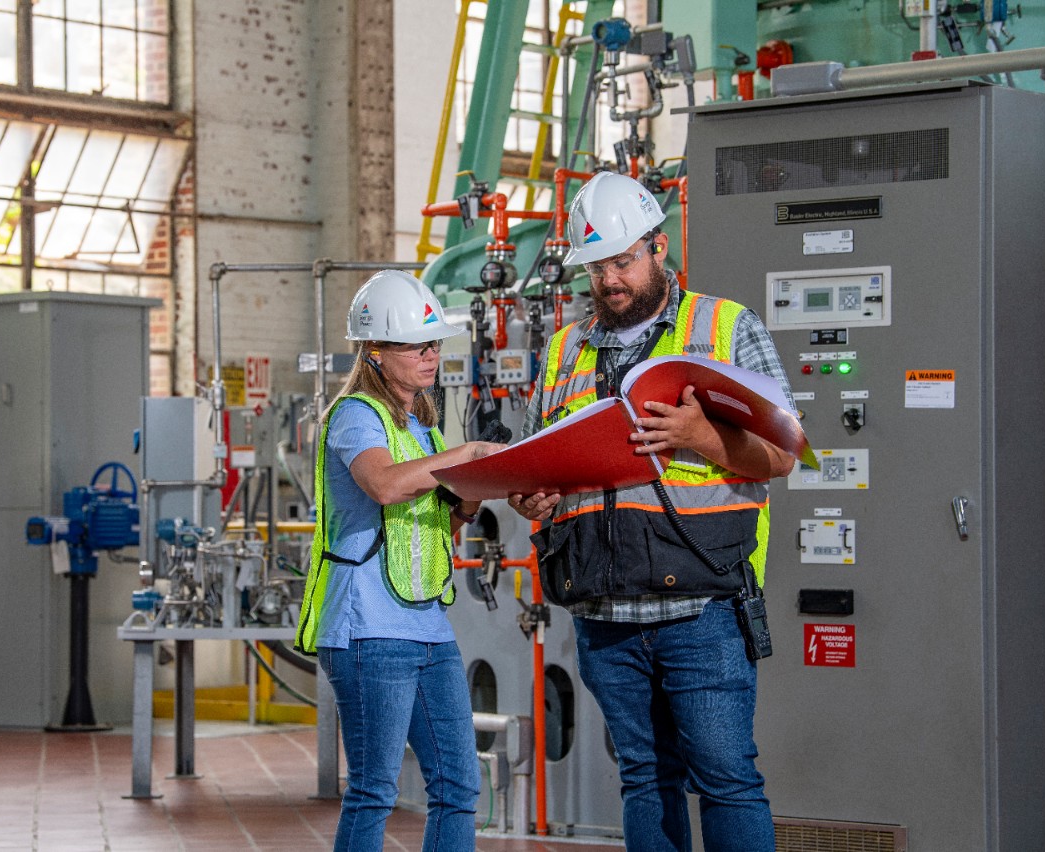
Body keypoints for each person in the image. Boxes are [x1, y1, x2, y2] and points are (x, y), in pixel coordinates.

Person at [508, 171, 796, 852]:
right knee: (644, 778)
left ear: (658, 248)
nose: (610, 280)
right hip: (605, 613)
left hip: (703, 609)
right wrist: (532, 497)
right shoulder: (561, 353)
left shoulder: (724, 328)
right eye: (597, 266)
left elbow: (784, 455)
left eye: (623, 260)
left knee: (725, 778)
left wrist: (700, 437)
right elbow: (537, 469)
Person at [295, 269, 504, 852]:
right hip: (367, 631)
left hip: (427, 628)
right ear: (377, 352)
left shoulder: (424, 430)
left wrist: (476, 489)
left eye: (434, 344)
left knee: (460, 784)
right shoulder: (356, 415)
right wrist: (465, 454)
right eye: (417, 345)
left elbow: (442, 524)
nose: (431, 356)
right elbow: (384, 486)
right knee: (374, 790)